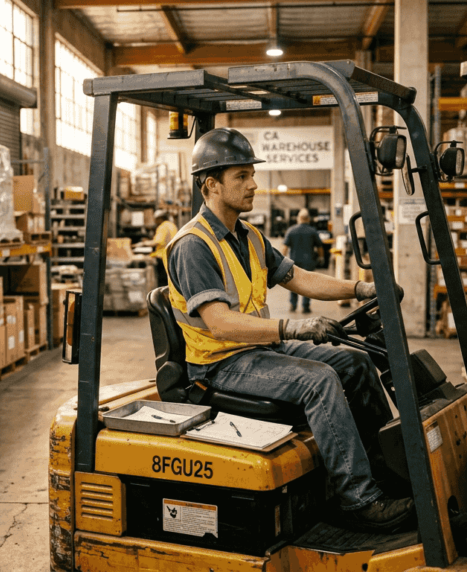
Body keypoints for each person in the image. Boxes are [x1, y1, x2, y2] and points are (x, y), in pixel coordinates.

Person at [164, 127, 413, 532]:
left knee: (357, 364)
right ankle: (359, 501)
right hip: (218, 365)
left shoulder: (249, 236)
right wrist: (294, 327)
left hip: (257, 353)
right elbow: (220, 322)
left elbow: (298, 277)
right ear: (211, 185)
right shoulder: (194, 244)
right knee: (321, 381)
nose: (253, 185)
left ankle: (384, 472)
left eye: (251, 174)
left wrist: (362, 288)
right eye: (241, 177)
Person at [282, 209, 325, 313]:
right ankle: (305, 306)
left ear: (299, 218)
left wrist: (282, 260)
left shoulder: (291, 230)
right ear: (308, 219)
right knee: (307, 284)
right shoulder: (312, 231)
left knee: (293, 283)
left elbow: (284, 247)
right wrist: (321, 257)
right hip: (308, 261)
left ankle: (293, 305)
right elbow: (319, 247)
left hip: (294, 262)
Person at [144, 209, 178, 287]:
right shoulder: (172, 225)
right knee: (169, 279)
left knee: (162, 281)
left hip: (162, 256)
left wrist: (143, 243)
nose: (155, 221)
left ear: (160, 218)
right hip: (172, 255)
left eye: (156, 219)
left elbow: (158, 241)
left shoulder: (162, 227)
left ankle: (162, 297)